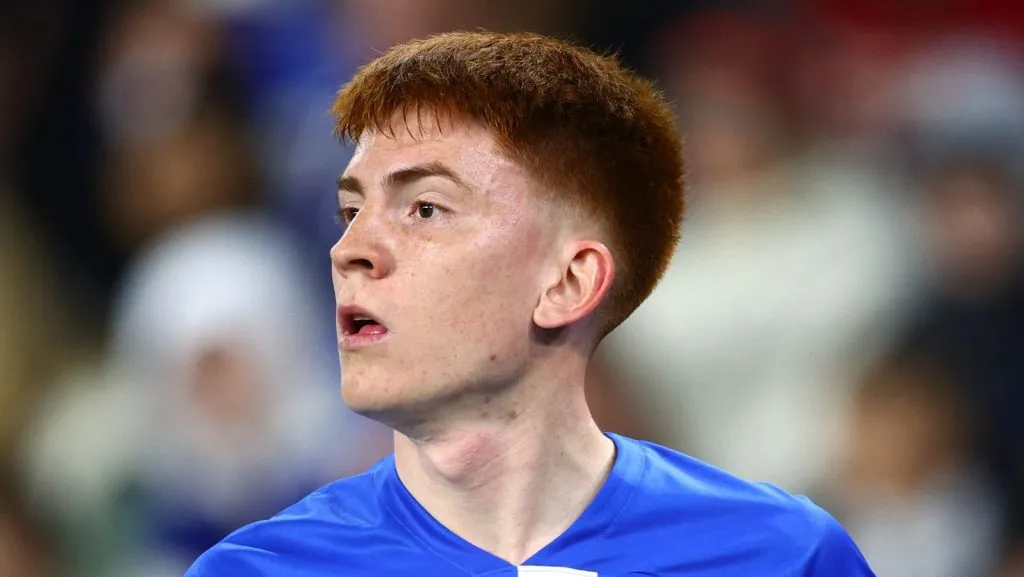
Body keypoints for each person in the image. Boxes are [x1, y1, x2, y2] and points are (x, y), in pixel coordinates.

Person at [186, 31, 874, 576]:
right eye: (349, 210)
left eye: (425, 208)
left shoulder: (783, 557)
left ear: (569, 282)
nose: (350, 250)